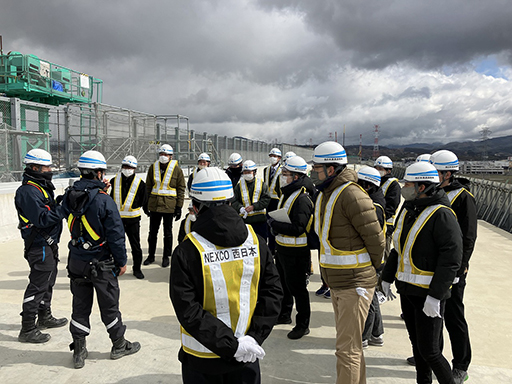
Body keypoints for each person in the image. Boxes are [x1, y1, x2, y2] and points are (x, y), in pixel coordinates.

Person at [170, 167, 283, 384]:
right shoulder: (255, 240)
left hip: (202, 359)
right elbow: (273, 292)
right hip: (247, 355)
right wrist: (253, 337)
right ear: (231, 201)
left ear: (195, 206)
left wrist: (231, 346)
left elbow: (188, 310)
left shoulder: (187, 250)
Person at [310, 141, 385, 384]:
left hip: (355, 282)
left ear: (331, 170)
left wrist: (372, 273)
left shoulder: (352, 194)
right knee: (351, 347)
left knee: (346, 350)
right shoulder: (326, 194)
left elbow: (376, 240)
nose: (314, 172)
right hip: (339, 282)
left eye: (317, 168)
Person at [381, 161, 462, 384]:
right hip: (408, 290)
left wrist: (436, 295)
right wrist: (387, 277)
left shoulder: (442, 215)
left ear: (423, 187)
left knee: (431, 351)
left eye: (409, 183)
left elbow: (451, 259)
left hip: (428, 294)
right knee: (418, 346)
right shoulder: (410, 210)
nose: (404, 187)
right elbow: (398, 247)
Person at [62, 150, 141, 369]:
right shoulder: (104, 201)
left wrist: (98, 190)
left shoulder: (69, 195)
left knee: (79, 306)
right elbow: (116, 234)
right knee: (109, 306)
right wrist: (122, 261)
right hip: (101, 264)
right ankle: (119, 344)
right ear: (98, 173)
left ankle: (79, 351)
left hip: (77, 261)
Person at [430, 150, 477, 384]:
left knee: (453, 315)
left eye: (435, 172)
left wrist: (460, 269)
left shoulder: (463, 197)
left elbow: (468, 237)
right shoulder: (434, 192)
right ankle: (433, 355)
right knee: (433, 314)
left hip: (453, 269)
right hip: (432, 267)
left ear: (447, 173)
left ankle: (460, 365)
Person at [15, 149, 68, 343]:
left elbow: (48, 207)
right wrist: (64, 209)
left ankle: (44, 316)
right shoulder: (28, 191)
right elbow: (42, 218)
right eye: (47, 166)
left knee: (48, 281)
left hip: (48, 244)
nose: (50, 169)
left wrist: (62, 201)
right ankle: (28, 328)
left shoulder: (41, 187)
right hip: (39, 246)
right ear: (35, 168)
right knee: (37, 285)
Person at [268, 156, 314, 339]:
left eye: (285, 174)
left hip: (296, 252)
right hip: (283, 249)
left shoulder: (302, 198)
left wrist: (275, 225)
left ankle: (303, 325)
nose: (282, 177)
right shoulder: (287, 193)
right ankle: (284, 315)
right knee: (284, 286)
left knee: (298, 289)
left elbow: (298, 228)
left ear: (296, 176)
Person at [357, 166, 386, 349]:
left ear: (367, 186)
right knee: (372, 295)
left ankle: (364, 336)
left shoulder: (373, 208)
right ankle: (377, 334)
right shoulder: (375, 202)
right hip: (373, 257)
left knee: (367, 298)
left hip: (369, 258)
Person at [144, 144, 186, 268]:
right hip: (155, 205)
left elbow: (181, 188)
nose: (163, 157)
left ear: (171, 156)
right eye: (161, 154)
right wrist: (146, 203)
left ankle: (166, 256)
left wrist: (179, 207)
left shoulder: (177, 170)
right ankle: (151, 256)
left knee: (167, 233)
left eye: (166, 155)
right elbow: (148, 186)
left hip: (169, 206)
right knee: (153, 232)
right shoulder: (153, 168)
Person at [110, 155, 147, 279]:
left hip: (133, 220)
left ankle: (137, 269)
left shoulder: (140, 184)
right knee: (116, 245)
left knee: (135, 246)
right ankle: (117, 267)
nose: (127, 169)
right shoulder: (114, 181)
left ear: (135, 168)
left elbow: (144, 201)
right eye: (125, 166)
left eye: (130, 167)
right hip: (117, 220)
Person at [232, 160, 270, 240]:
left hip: (259, 221)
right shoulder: (239, 186)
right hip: (245, 221)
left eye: (249, 172)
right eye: (245, 172)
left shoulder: (261, 184)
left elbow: (266, 199)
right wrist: (240, 208)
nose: (247, 174)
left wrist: (254, 207)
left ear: (255, 172)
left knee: (261, 243)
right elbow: (234, 200)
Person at [374, 155, 401, 262]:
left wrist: (378, 217)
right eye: (376, 168)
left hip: (386, 225)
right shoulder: (375, 181)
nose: (378, 171)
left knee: (383, 254)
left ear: (388, 170)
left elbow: (392, 206)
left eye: (380, 169)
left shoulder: (393, 185)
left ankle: (383, 277)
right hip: (373, 223)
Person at [263, 147, 283, 254]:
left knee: (276, 224)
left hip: (277, 201)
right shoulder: (266, 170)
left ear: (279, 158)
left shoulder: (282, 170)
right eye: (271, 156)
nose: (272, 158)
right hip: (268, 201)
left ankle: (276, 247)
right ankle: (270, 248)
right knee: (268, 224)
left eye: (275, 156)